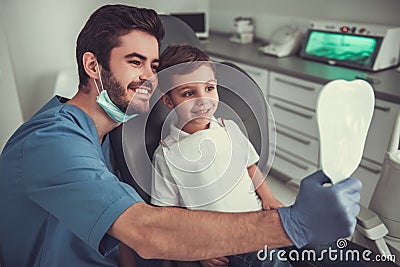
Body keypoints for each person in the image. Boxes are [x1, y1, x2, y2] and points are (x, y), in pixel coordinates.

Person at [0, 4, 361, 267]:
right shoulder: (51, 141)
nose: (149, 77)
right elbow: (146, 231)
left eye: (154, 67)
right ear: (93, 65)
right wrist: (291, 224)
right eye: (135, 62)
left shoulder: (112, 134)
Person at [150, 44, 288, 267]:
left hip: (258, 219)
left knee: (314, 240)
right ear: (168, 101)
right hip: (223, 242)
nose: (203, 100)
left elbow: (250, 166)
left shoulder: (229, 128)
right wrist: (195, 247)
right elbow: (167, 215)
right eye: (188, 93)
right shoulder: (166, 154)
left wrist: (269, 198)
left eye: (209, 88)